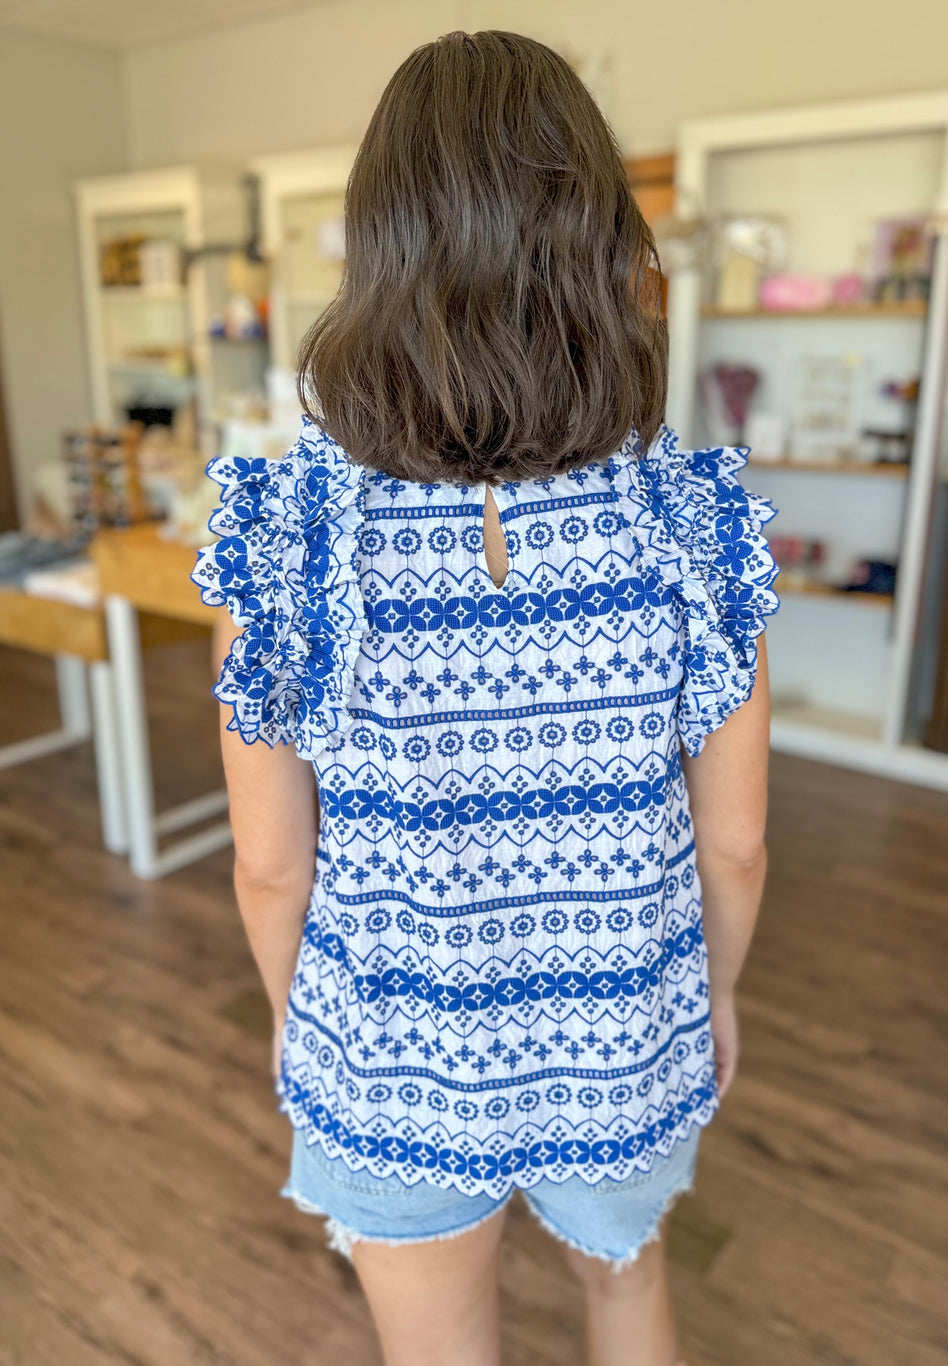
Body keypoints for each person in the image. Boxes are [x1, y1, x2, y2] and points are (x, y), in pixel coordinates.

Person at [192, 29, 779, 1366]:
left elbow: (272, 866)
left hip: (389, 1052)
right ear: (601, 246)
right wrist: (718, 994)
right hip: (623, 1033)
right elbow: (736, 844)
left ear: (377, 251)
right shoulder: (689, 522)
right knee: (628, 1294)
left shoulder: (291, 536)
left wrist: (297, 1017)